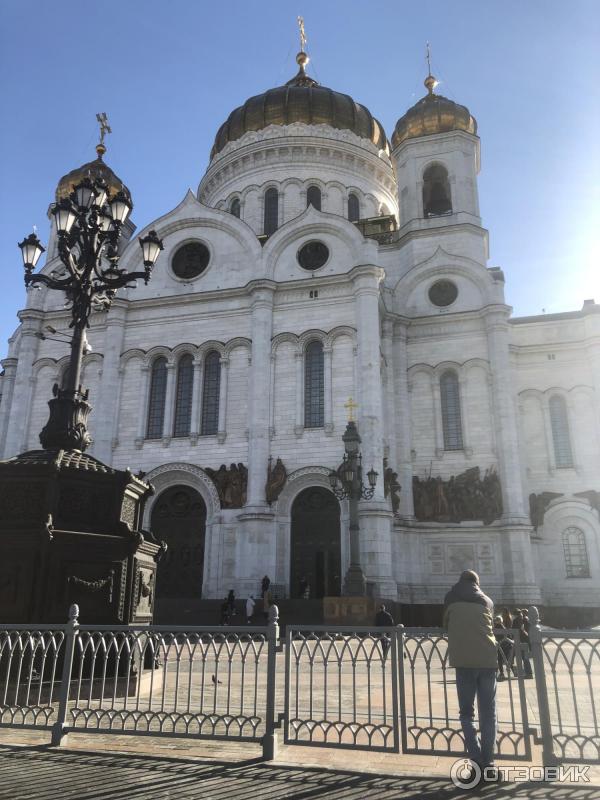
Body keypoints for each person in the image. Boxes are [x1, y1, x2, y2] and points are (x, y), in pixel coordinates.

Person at [443, 570, 499, 780]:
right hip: (488, 661)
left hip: (464, 661)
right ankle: (489, 763)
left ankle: (475, 759)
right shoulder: (487, 601)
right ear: (477, 583)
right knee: (489, 714)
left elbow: (445, 624)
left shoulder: (450, 597)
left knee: (466, 713)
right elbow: (490, 625)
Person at [493, 615, 514, 681]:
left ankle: (501, 673)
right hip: (506, 645)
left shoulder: (495, 628)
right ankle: (512, 671)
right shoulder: (504, 627)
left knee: (499, 659)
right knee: (507, 659)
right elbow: (509, 636)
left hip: (499, 646)